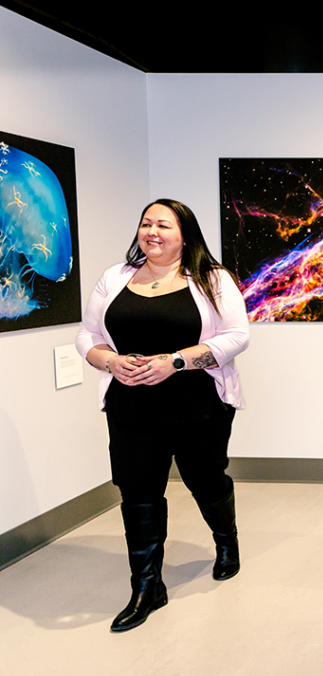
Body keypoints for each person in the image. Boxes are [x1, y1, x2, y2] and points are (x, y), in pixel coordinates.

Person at [76, 198, 250, 632]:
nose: (152, 232)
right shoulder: (114, 278)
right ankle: (147, 586)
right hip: (130, 404)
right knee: (137, 492)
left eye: (163, 225)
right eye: (146, 223)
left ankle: (226, 542)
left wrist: (175, 361)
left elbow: (237, 336)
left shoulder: (213, 279)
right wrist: (109, 361)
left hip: (198, 405)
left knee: (206, 479)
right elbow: (88, 334)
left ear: (184, 235)